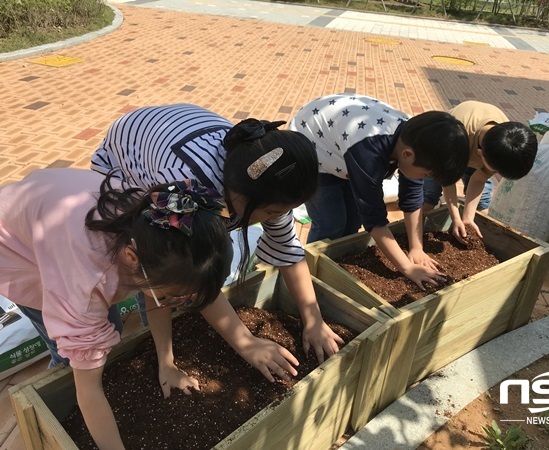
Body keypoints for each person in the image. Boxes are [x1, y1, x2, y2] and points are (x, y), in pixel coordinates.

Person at [0, 169, 300, 449]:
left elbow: (154, 295)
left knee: (109, 332)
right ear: (132, 258)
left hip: (49, 208)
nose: (175, 304)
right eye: (173, 296)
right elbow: (89, 392)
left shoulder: (159, 229)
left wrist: (166, 363)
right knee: (78, 354)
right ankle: (58, 386)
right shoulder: (84, 288)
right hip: (16, 253)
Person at [91, 103, 344, 364]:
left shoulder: (268, 184)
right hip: (132, 148)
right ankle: (155, 341)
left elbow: (288, 249)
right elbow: (181, 263)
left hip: (179, 129)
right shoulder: (181, 188)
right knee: (162, 270)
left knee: (215, 257)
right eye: (270, 212)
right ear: (239, 196)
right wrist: (246, 343)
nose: (276, 218)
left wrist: (313, 320)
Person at [288, 93, 470, 289]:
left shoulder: (416, 143)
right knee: (331, 223)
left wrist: (416, 247)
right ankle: (309, 276)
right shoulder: (368, 152)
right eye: (425, 175)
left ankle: (335, 266)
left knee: (352, 222)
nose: (424, 180)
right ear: (407, 155)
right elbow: (374, 218)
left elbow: (411, 198)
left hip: (343, 153)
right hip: (313, 152)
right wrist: (407, 268)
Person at [419, 101, 537, 242]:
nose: (496, 174)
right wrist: (455, 217)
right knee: (428, 199)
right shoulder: (454, 136)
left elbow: (479, 179)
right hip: (440, 149)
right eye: (495, 171)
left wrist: (467, 218)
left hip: (472, 148)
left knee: (483, 204)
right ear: (480, 155)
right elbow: (447, 181)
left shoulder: (505, 145)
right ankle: (417, 235)